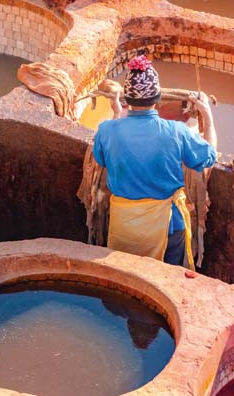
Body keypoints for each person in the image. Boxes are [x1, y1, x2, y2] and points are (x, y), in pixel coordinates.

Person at [92, 55, 217, 269]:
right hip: (167, 226)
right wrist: (208, 116)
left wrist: (115, 114)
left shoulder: (107, 130)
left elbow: (101, 158)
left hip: (125, 226)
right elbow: (208, 158)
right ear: (157, 99)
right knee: (166, 284)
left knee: (125, 280)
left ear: (126, 100)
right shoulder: (176, 132)